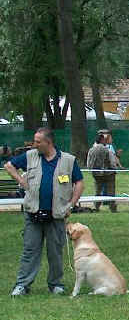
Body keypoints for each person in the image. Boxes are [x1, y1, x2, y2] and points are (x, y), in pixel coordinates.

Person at [4, 127, 84, 296]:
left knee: (55, 252)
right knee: (30, 250)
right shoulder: (30, 156)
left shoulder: (68, 160)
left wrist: (71, 204)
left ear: (49, 142)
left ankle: (56, 284)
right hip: (33, 214)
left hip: (57, 215)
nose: (35, 144)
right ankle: (22, 285)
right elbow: (9, 165)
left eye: (38, 142)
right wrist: (22, 182)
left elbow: (79, 182)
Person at [86, 133, 117, 212]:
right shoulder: (107, 150)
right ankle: (112, 208)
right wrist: (114, 169)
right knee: (111, 191)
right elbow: (112, 162)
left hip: (96, 174)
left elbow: (88, 164)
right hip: (109, 174)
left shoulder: (91, 150)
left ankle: (96, 207)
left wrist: (93, 170)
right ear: (102, 140)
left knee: (97, 191)